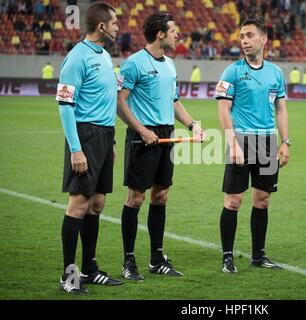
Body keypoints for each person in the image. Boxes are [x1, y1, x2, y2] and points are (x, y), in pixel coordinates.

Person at [117, 13, 205, 280]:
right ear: (160, 34)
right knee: (136, 198)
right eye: (173, 30)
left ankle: (157, 258)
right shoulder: (133, 64)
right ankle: (129, 261)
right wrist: (142, 131)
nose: (177, 34)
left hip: (166, 135)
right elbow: (119, 102)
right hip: (142, 136)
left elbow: (174, 101)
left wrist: (193, 124)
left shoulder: (169, 64)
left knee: (160, 197)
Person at [56, 1, 123, 295]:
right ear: (101, 26)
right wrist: (76, 149)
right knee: (78, 205)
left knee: (97, 204)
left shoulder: (105, 56)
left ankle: (91, 269)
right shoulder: (76, 58)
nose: (118, 27)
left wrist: (112, 142)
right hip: (84, 136)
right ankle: (69, 276)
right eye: (115, 23)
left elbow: (107, 102)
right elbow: (65, 106)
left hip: (104, 137)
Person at [215, 17, 290, 273]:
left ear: (263, 38)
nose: (244, 40)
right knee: (233, 201)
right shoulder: (233, 71)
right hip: (242, 140)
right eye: (241, 36)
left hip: (268, 142)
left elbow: (281, 109)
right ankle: (227, 257)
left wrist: (285, 142)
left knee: (263, 200)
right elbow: (223, 109)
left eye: (249, 35)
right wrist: (232, 143)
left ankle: (258, 255)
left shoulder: (275, 73)